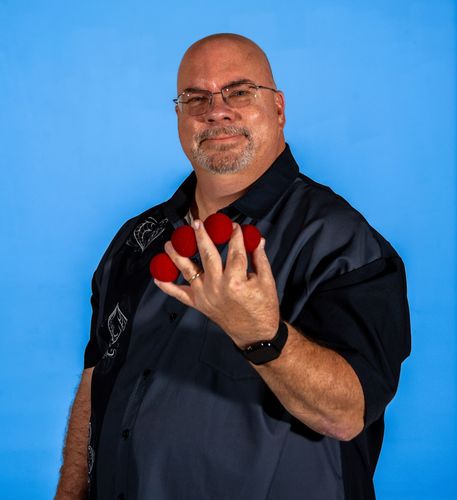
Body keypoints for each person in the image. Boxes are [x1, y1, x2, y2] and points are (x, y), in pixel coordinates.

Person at [56, 33, 411, 500]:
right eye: (195, 97)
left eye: (239, 92)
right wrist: (70, 491)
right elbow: (97, 373)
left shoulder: (341, 241)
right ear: (179, 115)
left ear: (279, 108)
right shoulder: (135, 240)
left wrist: (262, 334)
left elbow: (346, 414)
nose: (215, 110)